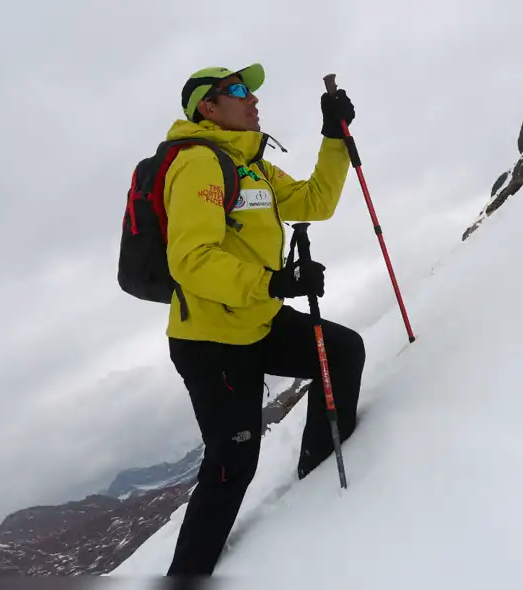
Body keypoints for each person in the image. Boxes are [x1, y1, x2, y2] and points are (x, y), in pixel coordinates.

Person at [161, 63, 366, 578]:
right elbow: (191, 259)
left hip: (257, 321)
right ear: (207, 108)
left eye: (251, 90)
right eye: (237, 90)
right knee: (231, 469)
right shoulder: (198, 165)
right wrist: (273, 283)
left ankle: (316, 482)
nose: (252, 98)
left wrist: (332, 136)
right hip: (211, 342)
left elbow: (315, 202)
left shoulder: (252, 166)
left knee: (341, 352)